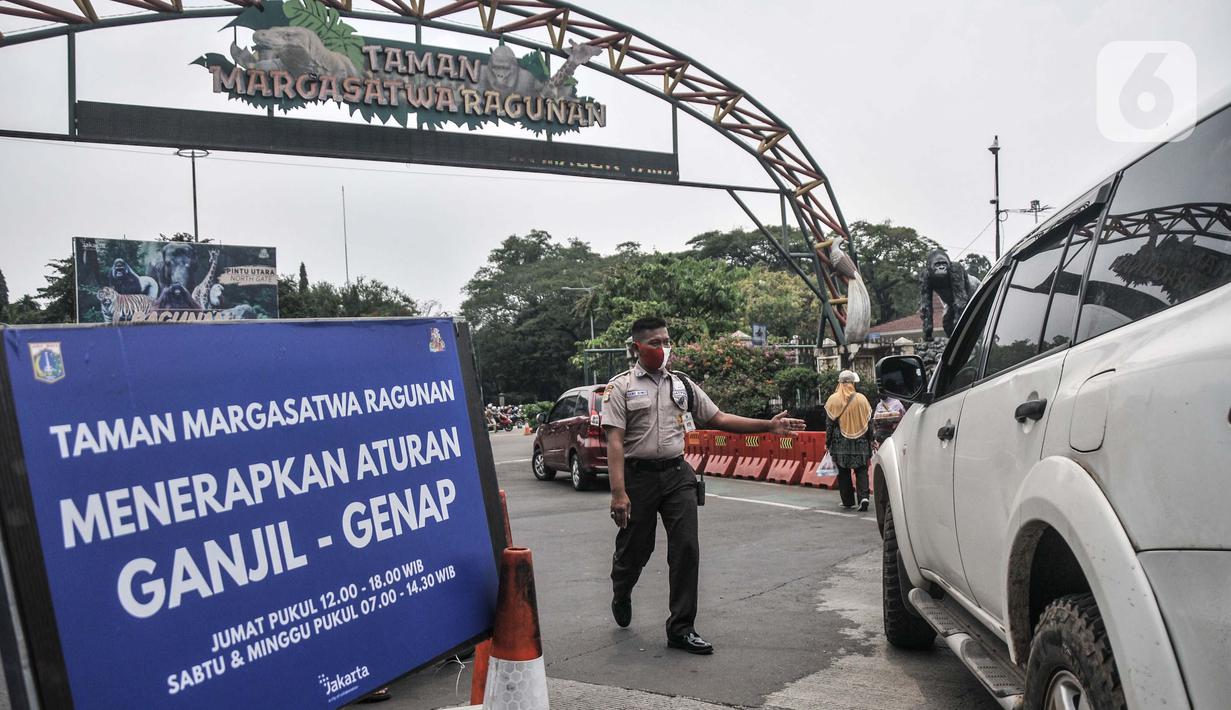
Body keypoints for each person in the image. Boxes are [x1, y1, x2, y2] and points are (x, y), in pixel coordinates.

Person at [602, 316, 806, 655]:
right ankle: (621, 589)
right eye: (656, 343)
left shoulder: (682, 384)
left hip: (677, 475)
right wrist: (619, 493)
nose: (665, 348)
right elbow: (615, 442)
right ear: (637, 347)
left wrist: (768, 426)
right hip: (638, 478)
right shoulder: (620, 387)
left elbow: (719, 418)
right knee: (636, 549)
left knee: (686, 548)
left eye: (668, 341)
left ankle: (681, 628)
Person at [824, 370, 875, 512]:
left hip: (840, 442)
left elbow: (829, 425)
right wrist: (872, 439)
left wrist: (827, 442)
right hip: (861, 441)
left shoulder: (833, 399)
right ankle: (864, 497)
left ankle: (847, 501)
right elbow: (869, 422)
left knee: (843, 471)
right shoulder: (862, 399)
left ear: (839, 383)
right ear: (853, 383)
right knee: (861, 469)